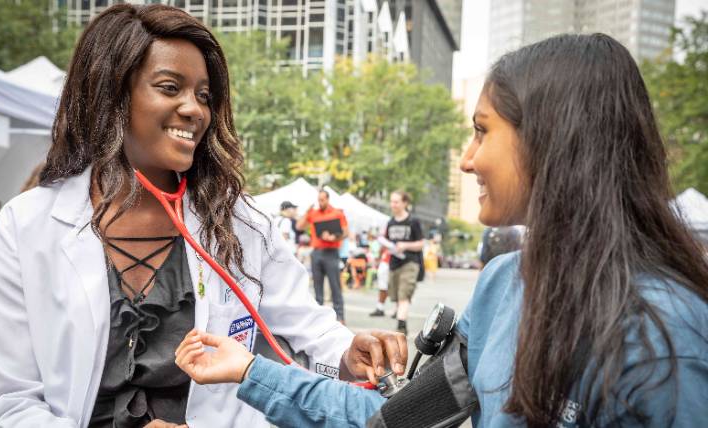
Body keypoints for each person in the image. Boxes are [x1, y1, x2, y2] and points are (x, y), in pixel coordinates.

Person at [173, 33, 708, 427]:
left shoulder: (666, 337)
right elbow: (398, 419)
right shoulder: (503, 284)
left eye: (481, 132)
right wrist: (248, 372)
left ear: (553, 140)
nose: (467, 161)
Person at [0, 5, 405, 428]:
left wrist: (350, 353)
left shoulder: (241, 225)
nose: (195, 109)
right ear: (112, 94)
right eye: (170, 87)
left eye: (204, 95)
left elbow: (308, 328)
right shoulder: (26, 227)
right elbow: (1, 403)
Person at [296, 190, 349, 322]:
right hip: (317, 252)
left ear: (328, 199)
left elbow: (346, 232)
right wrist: (307, 211)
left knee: (335, 285)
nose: (320, 202)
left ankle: (340, 316)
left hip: (331, 252)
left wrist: (334, 237)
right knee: (317, 286)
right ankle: (318, 318)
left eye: (323, 200)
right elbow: (299, 226)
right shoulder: (313, 213)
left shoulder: (337, 213)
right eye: (319, 200)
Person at [381, 191, 424, 335]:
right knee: (396, 297)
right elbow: (386, 240)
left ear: (405, 203)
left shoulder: (413, 221)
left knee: (404, 295)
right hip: (394, 263)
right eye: (391, 201)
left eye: (396, 202)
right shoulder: (390, 222)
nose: (393, 205)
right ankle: (401, 320)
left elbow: (421, 244)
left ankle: (401, 325)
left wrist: (405, 245)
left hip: (410, 263)